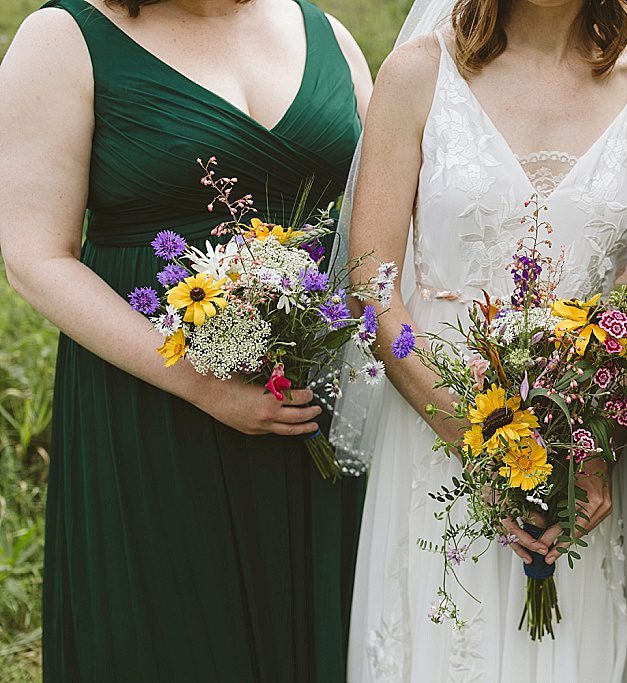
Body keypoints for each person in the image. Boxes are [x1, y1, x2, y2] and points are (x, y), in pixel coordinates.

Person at [0, 0, 371, 679]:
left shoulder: (326, 34)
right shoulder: (64, 39)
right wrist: (200, 385)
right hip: (153, 410)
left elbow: (381, 225)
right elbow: (35, 256)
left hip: (318, 414)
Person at [343, 0, 627, 678]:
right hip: (436, 422)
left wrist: (597, 447)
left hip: (585, 433)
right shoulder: (418, 74)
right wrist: (475, 440)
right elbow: (373, 282)